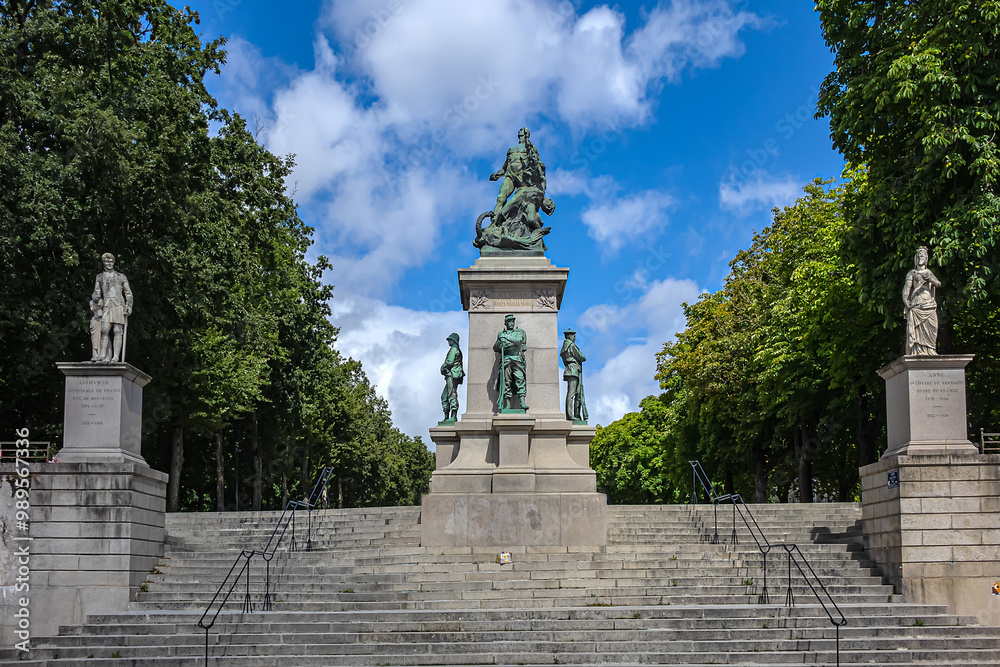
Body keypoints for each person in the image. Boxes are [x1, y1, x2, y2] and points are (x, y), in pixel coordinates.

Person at [91, 253, 133, 362]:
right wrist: (95, 297)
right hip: (107, 305)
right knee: (104, 330)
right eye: (106, 261)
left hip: (118, 305)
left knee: (117, 330)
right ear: (103, 263)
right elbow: (96, 293)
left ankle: (115, 357)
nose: (109, 264)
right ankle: (102, 355)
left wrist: (129, 305)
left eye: (111, 261)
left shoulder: (121, 276)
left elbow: (128, 293)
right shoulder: (99, 277)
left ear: (114, 262)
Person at [902, 246, 940, 355]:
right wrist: (906, 302)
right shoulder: (912, 273)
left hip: (929, 304)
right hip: (916, 305)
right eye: (918, 257)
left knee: (932, 328)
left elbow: (938, 284)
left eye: (922, 256)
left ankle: (930, 350)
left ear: (926, 258)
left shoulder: (929, 272)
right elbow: (906, 289)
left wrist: (930, 279)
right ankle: (917, 350)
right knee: (915, 331)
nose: (920, 259)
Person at [493, 314, 528, 411]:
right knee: (506, 382)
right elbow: (496, 348)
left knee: (520, 379)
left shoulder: (519, 332)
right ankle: (507, 404)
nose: (511, 323)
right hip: (506, 359)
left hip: (517, 359)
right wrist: (499, 341)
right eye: (509, 322)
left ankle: (522, 402)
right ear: (505, 323)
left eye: (513, 321)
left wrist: (505, 339)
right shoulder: (501, 334)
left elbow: (518, 341)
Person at [560, 329, 588, 422]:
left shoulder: (564, 347)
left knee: (573, 393)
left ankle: (573, 414)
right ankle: (570, 415)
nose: (574, 337)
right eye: (573, 336)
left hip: (570, 369)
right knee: (572, 393)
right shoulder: (571, 345)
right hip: (573, 369)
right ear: (570, 336)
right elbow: (582, 357)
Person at [439, 332, 465, 423]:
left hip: (452, 375)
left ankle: (453, 417)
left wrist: (442, 367)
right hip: (452, 374)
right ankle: (447, 417)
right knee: (444, 396)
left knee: (451, 394)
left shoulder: (453, 350)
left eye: (449, 340)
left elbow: (449, 362)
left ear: (453, 341)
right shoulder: (457, 350)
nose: (448, 341)